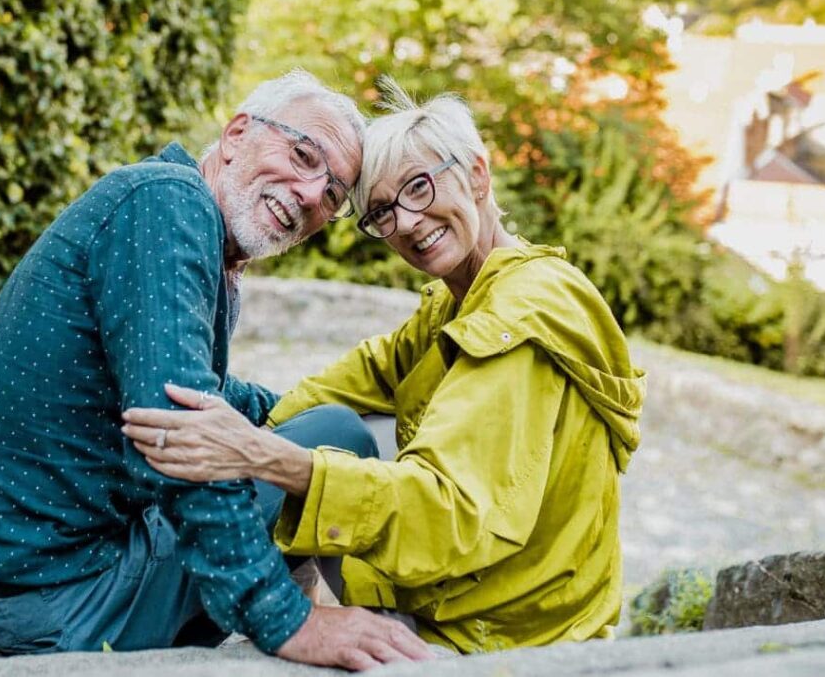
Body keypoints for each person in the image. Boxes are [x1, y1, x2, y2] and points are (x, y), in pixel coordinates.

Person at [0, 70, 434, 670]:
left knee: (321, 424)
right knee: (344, 439)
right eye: (302, 155)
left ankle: (369, 621)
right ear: (238, 133)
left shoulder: (179, 221)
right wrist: (285, 622)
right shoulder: (169, 203)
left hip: (2, 577)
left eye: (334, 195)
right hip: (58, 592)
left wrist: (288, 411)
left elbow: (204, 392)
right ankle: (405, 637)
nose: (310, 194)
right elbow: (180, 429)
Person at [123, 78, 647, 653]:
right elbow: (361, 376)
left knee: (329, 456)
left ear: (477, 174)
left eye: (419, 188)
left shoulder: (517, 314)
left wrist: (270, 457)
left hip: (497, 624)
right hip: (498, 589)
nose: (405, 223)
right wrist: (248, 432)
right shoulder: (461, 296)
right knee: (343, 425)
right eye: (381, 212)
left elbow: (451, 510)